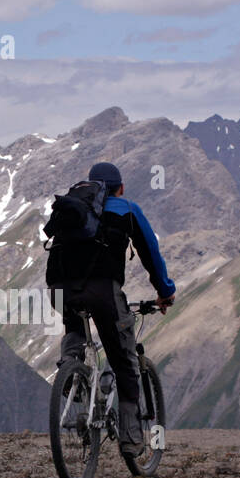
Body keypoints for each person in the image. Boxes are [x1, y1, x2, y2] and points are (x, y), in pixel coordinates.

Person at [46, 162, 176, 460]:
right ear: (120, 187)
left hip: (59, 288)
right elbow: (151, 255)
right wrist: (165, 292)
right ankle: (131, 435)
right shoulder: (127, 209)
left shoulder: (73, 207)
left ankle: (71, 366)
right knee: (124, 358)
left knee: (75, 325)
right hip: (103, 291)